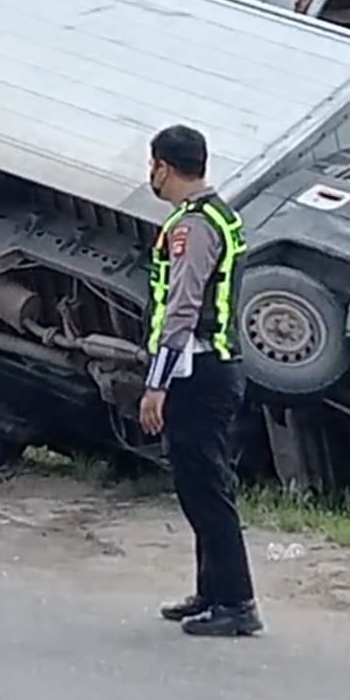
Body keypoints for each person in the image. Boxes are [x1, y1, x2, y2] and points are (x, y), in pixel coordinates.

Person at [138, 124, 262, 638]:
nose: (150, 175)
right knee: (197, 483)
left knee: (207, 487)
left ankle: (236, 602)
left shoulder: (193, 226)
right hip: (214, 366)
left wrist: (157, 383)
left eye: (152, 165)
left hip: (200, 371)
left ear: (163, 166)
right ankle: (211, 591)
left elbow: (183, 307)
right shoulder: (217, 215)